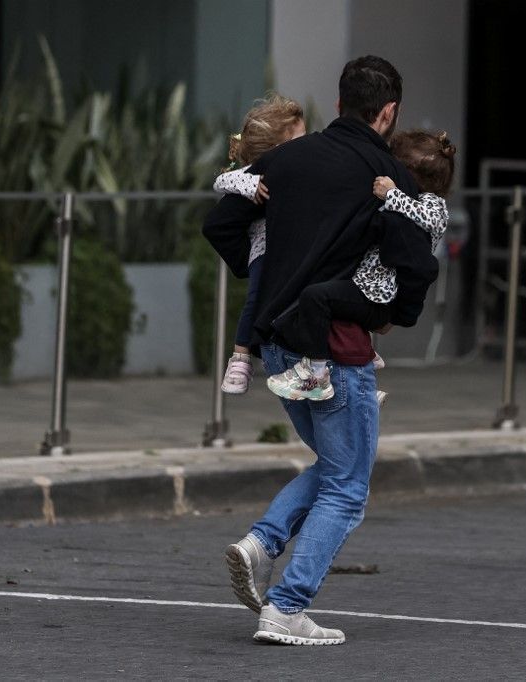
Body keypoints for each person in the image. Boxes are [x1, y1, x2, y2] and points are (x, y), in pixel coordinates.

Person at [202, 55, 439, 646]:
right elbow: (415, 263)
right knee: (349, 485)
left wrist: (264, 270)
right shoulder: (387, 175)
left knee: (337, 466)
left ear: (337, 105)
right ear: (388, 113)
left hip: (280, 346)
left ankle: (261, 544)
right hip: (338, 347)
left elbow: (221, 224)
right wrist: (391, 316)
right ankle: (286, 604)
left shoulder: (282, 161)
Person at [265, 129, 456, 402]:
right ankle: (359, 383)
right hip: (368, 287)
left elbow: (426, 218)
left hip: (377, 295)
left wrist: (391, 193)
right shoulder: (408, 201)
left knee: (315, 298)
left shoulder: (434, 205)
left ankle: (316, 374)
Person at [212, 94, 306, 395]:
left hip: (293, 247)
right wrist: (250, 184)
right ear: (274, 150)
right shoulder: (256, 174)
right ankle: (240, 357)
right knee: (256, 297)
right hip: (264, 247)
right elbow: (222, 181)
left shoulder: (303, 169)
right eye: (300, 141)